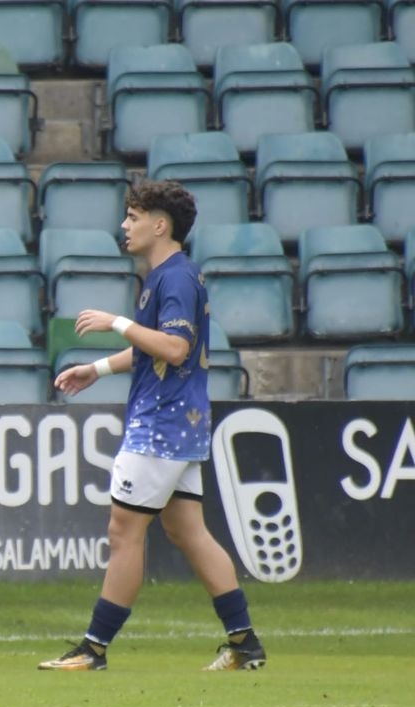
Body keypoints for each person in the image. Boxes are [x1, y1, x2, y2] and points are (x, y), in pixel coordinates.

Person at [39, 180, 267, 672]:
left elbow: (175, 348)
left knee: (124, 533)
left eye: (133, 216)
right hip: (181, 424)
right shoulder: (171, 275)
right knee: (188, 532)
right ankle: (245, 643)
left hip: (160, 426)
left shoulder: (175, 279)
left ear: (160, 225)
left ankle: (94, 649)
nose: (124, 225)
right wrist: (97, 369)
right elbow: (154, 347)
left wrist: (117, 322)